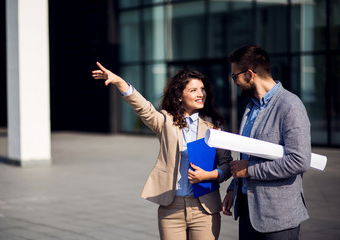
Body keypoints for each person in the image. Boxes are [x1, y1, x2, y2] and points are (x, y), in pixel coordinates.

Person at [92, 62, 232, 240]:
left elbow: (227, 165)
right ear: (180, 96)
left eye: (202, 89)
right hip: (171, 208)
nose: (200, 94)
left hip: (204, 209)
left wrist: (210, 175)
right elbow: (144, 109)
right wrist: (120, 82)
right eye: (194, 90)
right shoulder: (166, 122)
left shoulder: (214, 127)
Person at [222, 45, 311, 240]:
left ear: (250, 74)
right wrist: (233, 188)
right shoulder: (250, 107)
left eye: (235, 76)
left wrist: (250, 170)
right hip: (248, 212)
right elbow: (246, 155)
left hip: (278, 218)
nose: (235, 82)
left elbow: (300, 160)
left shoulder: (290, 105)